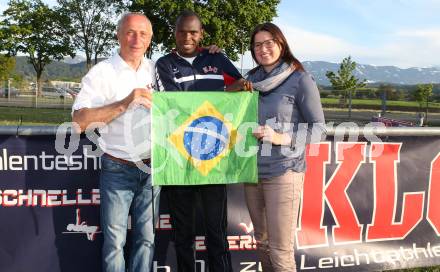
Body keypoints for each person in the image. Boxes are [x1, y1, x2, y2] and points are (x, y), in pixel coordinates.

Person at [155, 10, 249, 272]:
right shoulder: (164, 63)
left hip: (213, 160)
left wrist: (235, 87)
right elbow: (176, 106)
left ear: (201, 34)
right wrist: (223, 92)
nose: (187, 36)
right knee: (183, 235)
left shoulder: (217, 59)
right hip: (180, 160)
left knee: (216, 233)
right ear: (174, 33)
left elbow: (242, 84)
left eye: (193, 32)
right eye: (182, 31)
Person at [72, 12, 160, 272]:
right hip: (117, 167)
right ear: (118, 35)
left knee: (147, 240)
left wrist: (209, 52)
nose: (136, 39)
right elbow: (79, 122)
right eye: (130, 32)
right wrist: (124, 103)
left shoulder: (158, 69)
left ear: (150, 39)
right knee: (115, 242)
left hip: (153, 168)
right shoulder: (102, 73)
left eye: (143, 34)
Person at [241, 22, 326, 271]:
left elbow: (319, 130)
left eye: (269, 43)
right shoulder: (250, 81)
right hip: (253, 172)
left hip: (284, 171)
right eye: (257, 45)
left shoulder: (299, 78)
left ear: (281, 44)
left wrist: (281, 137)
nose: (263, 49)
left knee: (280, 248)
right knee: (262, 243)